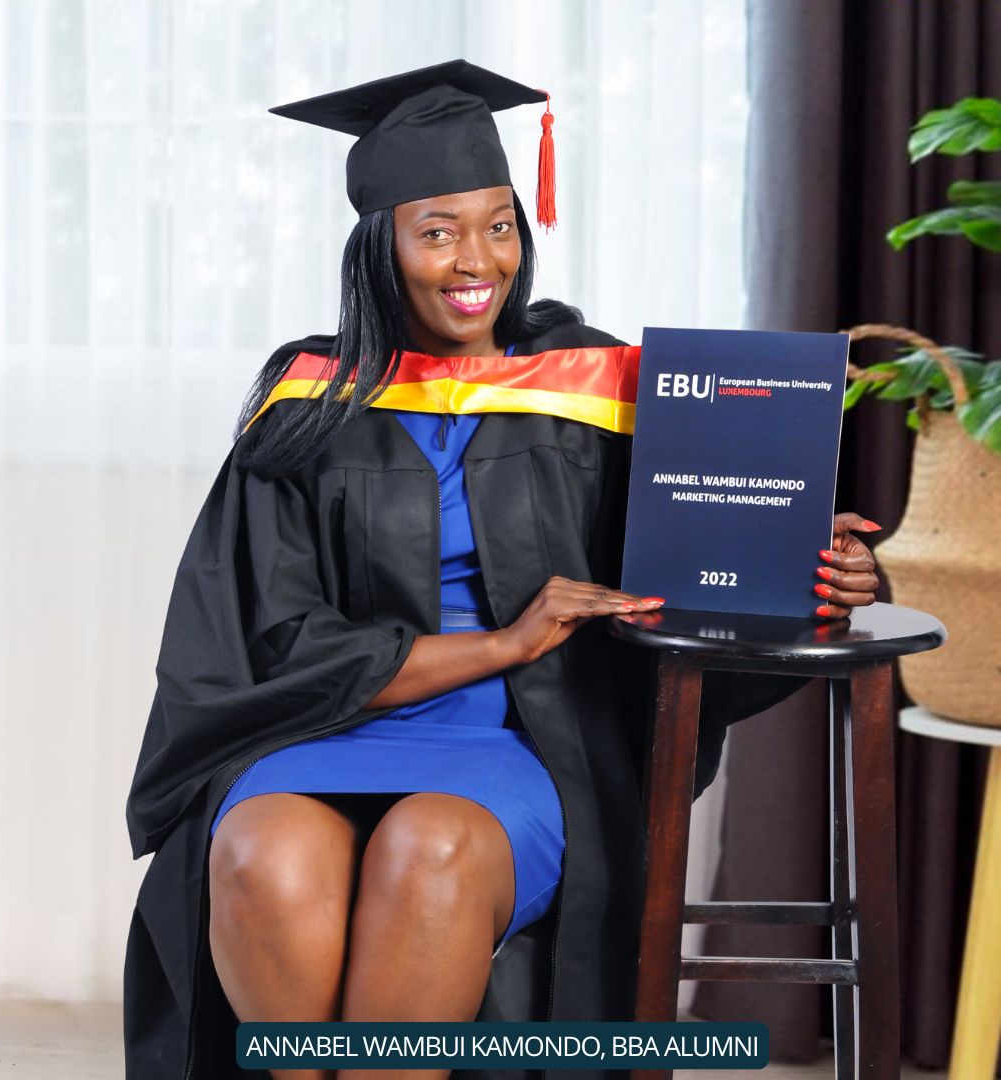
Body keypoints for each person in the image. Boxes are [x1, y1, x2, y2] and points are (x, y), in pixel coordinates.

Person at [123, 60, 880, 1080]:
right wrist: (505, 641)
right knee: (265, 852)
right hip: (321, 728)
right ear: (381, 248)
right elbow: (276, 640)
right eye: (437, 232)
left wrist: (812, 567)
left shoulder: (594, 384)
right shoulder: (309, 403)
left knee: (429, 845)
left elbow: (703, 550)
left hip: (528, 740)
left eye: (499, 225)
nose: (475, 259)